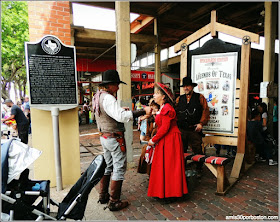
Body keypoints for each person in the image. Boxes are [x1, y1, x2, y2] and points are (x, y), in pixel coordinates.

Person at [92, 70, 151, 211]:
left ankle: (103, 194)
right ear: (110, 85)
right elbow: (121, 117)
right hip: (114, 137)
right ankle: (114, 201)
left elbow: (110, 113)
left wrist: (120, 110)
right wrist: (143, 111)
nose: (118, 87)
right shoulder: (109, 98)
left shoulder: (98, 96)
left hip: (104, 136)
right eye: (117, 85)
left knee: (107, 165)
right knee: (119, 168)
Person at [147, 82, 188, 201]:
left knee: (169, 166)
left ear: (163, 96)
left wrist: (153, 140)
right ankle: (165, 191)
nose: (154, 95)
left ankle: (169, 193)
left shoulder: (167, 109)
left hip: (170, 139)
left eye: (157, 93)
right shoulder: (163, 108)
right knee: (165, 165)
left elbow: (165, 128)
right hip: (167, 139)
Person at [175, 76, 210, 176]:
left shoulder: (200, 97)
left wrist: (201, 123)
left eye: (188, 86)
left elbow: (205, 110)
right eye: (184, 86)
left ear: (192, 87)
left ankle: (199, 169)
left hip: (194, 129)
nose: (186, 88)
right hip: (181, 130)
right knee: (181, 150)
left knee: (197, 149)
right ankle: (182, 170)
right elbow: (174, 112)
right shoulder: (179, 99)